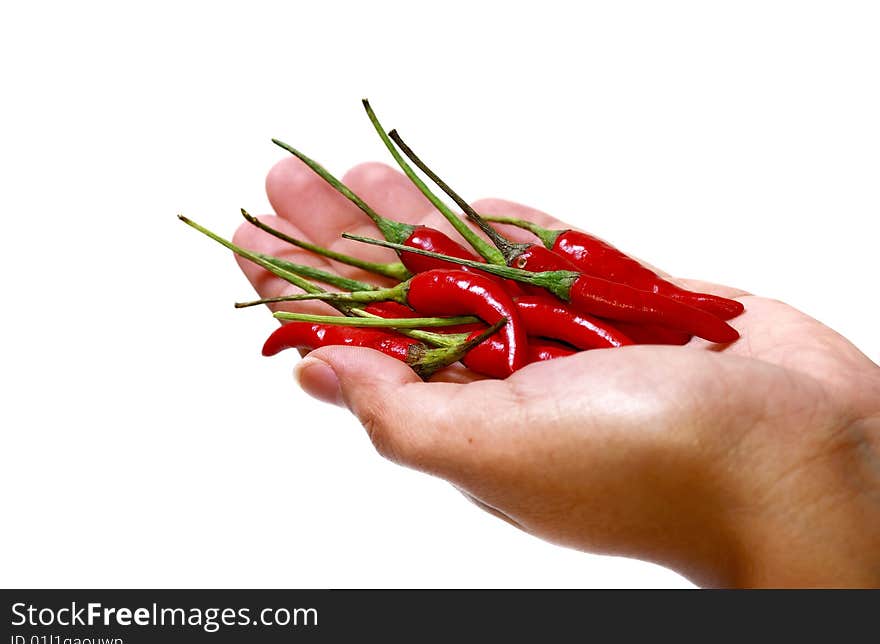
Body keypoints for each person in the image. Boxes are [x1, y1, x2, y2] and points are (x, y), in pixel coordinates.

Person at [233, 157, 880, 588]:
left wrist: (814, 462)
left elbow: (686, 317)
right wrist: (837, 462)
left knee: (645, 303)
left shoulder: (536, 279)